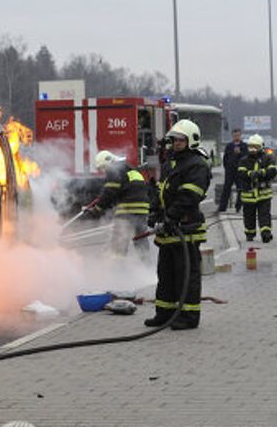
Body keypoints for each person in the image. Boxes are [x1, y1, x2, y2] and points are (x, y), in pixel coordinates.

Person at [145, 120, 211, 330]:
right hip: (169, 229)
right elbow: (160, 190)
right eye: (174, 140)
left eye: (181, 140)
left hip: (186, 228)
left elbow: (189, 196)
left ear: (191, 140)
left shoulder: (197, 164)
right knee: (165, 274)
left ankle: (189, 317)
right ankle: (164, 313)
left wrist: (171, 217)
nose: (176, 144)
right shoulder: (170, 163)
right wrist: (154, 211)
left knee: (186, 275)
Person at [86, 150, 150, 257]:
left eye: (103, 167)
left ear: (109, 162)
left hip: (127, 211)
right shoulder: (131, 169)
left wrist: (97, 209)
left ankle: (118, 270)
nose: (103, 171)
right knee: (141, 241)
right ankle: (147, 266)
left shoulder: (114, 170)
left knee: (119, 244)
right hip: (142, 211)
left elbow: (110, 192)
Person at [237, 134, 276, 242]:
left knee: (264, 215)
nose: (253, 150)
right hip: (248, 195)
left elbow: (272, 171)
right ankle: (250, 234)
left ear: (261, 147)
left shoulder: (268, 158)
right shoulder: (244, 160)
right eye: (250, 147)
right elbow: (241, 173)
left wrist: (261, 173)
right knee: (249, 216)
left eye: (256, 147)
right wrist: (250, 174)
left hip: (264, 194)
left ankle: (266, 233)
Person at [217, 128, 247, 212]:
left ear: (240, 135)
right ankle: (222, 207)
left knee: (240, 189)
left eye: (237, 135)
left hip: (239, 171)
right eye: (234, 136)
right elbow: (225, 158)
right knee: (226, 188)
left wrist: (239, 153)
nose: (236, 137)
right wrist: (227, 167)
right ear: (232, 136)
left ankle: (238, 207)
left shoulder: (244, 146)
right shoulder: (229, 146)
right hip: (230, 171)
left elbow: (246, 157)